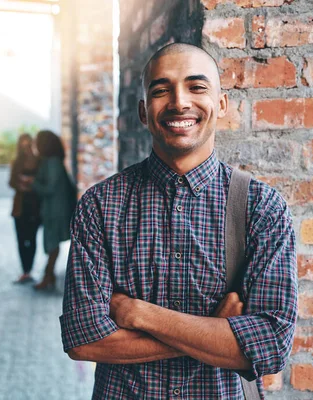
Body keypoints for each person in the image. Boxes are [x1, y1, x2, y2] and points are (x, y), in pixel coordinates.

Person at [60, 43, 297, 399]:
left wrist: (138, 313)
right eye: (161, 90)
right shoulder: (100, 205)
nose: (179, 102)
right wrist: (217, 331)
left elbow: (270, 346)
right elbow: (84, 340)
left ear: (221, 104)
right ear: (144, 111)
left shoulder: (262, 208)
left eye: (196, 87)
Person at [31, 130, 76, 291]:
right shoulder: (54, 161)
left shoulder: (51, 162)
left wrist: (32, 183)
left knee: (52, 243)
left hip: (54, 210)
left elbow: (49, 188)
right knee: (53, 243)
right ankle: (48, 275)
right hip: (57, 208)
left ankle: (48, 275)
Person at [9, 134, 41, 284]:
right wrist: (21, 185)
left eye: (28, 146)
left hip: (35, 206)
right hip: (20, 206)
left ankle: (30, 268)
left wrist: (32, 183)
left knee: (32, 238)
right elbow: (11, 182)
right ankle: (25, 270)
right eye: (23, 146)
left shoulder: (40, 162)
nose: (26, 149)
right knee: (21, 239)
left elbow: (42, 182)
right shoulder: (16, 163)